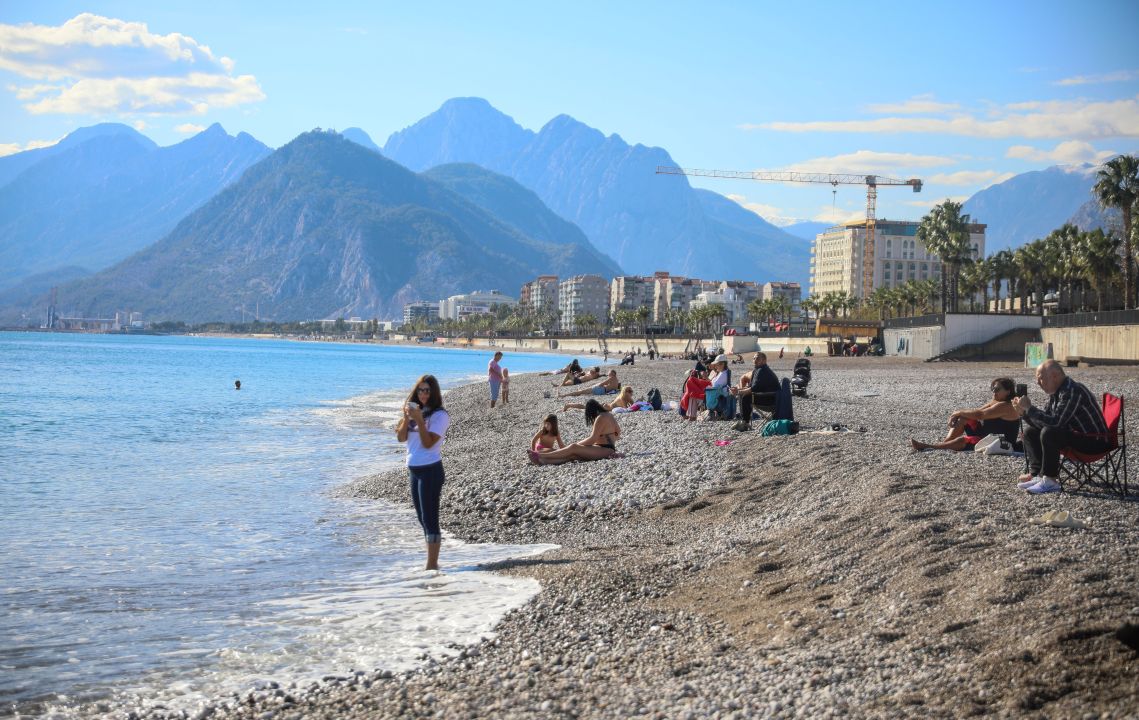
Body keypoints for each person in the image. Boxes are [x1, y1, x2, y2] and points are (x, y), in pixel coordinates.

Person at [1013, 359, 1109, 494]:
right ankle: (1038, 475)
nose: (1037, 383)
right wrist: (1024, 413)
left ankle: (1050, 480)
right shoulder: (1057, 392)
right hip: (1078, 437)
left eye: (1040, 378)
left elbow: (1055, 423)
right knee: (1031, 432)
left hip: (1095, 442)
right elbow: (1044, 422)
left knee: (1049, 433)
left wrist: (1030, 408)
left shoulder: (1072, 390)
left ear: (1054, 376)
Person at [395, 374, 450, 570]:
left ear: (433, 392)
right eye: (420, 390)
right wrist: (406, 418)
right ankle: (431, 562)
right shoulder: (415, 412)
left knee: (430, 518)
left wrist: (418, 420)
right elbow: (401, 438)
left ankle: (432, 565)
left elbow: (428, 444)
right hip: (414, 469)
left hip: (431, 470)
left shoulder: (440, 416)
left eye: (427, 390)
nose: (424, 394)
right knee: (421, 518)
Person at [909, 378, 1021, 451]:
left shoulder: (1006, 406)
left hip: (1000, 442)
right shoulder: (996, 402)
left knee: (963, 440)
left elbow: (980, 415)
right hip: (988, 435)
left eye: (997, 389)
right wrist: (958, 415)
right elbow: (975, 413)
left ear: (1008, 391)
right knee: (964, 418)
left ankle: (930, 447)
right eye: (992, 389)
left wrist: (957, 412)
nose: (993, 392)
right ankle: (944, 444)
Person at [529, 399, 620, 465]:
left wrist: (577, 444)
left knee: (573, 447)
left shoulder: (600, 417)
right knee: (573, 456)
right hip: (606, 448)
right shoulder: (609, 415)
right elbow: (618, 432)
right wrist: (610, 440)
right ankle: (543, 461)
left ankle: (541, 456)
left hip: (605, 449)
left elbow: (592, 439)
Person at [730, 352, 781, 431]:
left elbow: (753, 389)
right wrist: (737, 390)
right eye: (754, 358)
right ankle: (744, 421)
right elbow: (751, 387)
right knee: (743, 395)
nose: (755, 360)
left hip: (771, 400)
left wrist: (738, 392)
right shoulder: (757, 370)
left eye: (757, 358)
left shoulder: (763, 371)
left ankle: (745, 422)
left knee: (746, 396)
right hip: (765, 396)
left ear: (764, 361)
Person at [563, 385, 634, 412]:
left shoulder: (628, 398)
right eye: (630, 391)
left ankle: (569, 405)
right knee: (585, 407)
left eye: (631, 391)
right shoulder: (621, 398)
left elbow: (633, 405)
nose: (631, 392)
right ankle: (568, 405)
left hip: (606, 406)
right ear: (625, 392)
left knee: (586, 407)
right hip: (605, 407)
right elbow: (627, 409)